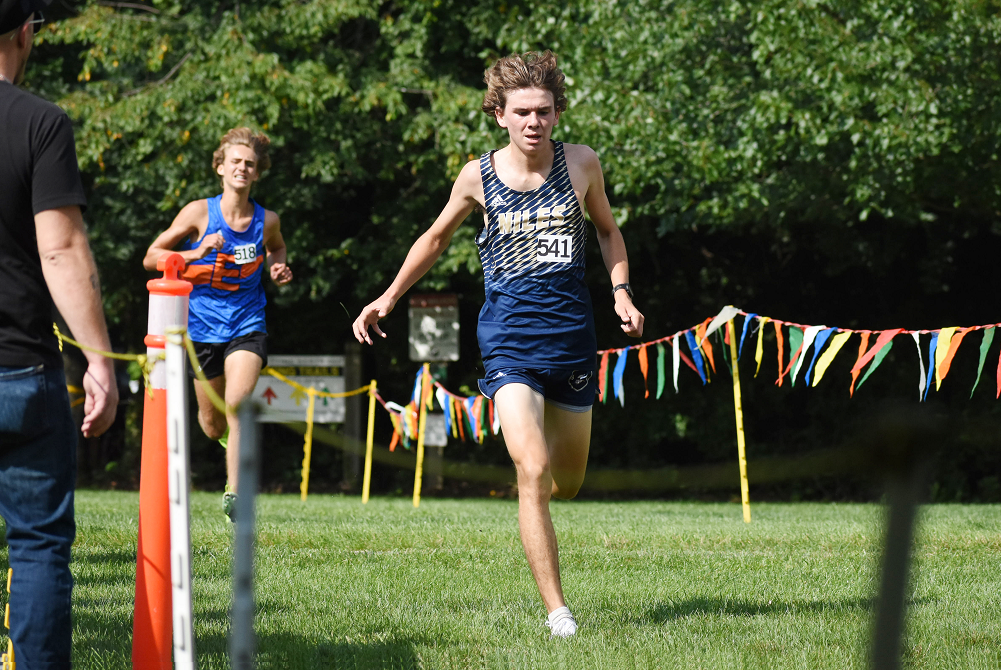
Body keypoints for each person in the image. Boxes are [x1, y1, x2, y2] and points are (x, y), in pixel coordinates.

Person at [353, 51, 644, 637]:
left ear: (557, 113)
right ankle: (558, 612)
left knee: (568, 480)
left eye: (543, 111)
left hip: (572, 345)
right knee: (530, 469)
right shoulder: (476, 176)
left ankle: (548, 515)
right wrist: (387, 297)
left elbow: (608, 232)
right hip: (508, 344)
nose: (533, 121)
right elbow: (434, 239)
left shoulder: (582, 165)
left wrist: (621, 293)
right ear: (500, 115)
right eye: (522, 112)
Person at [0, 0, 119, 664]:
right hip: (19, 369)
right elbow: (62, 250)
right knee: (38, 546)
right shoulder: (41, 123)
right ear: (24, 32)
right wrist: (99, 360)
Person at [143, 127, 292, 521]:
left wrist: (277, 265)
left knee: (238, 403)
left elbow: (276, 246)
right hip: (201, 329)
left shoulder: (267, 220)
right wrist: (196, 250)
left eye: (250, 164)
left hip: (247, 322)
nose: (243, 169)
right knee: (211, 425)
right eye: (236, 162)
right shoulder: (198, 213)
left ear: (257, 173)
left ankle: (235, 495)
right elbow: (151, 257)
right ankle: (229, 440)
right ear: (221, 168)